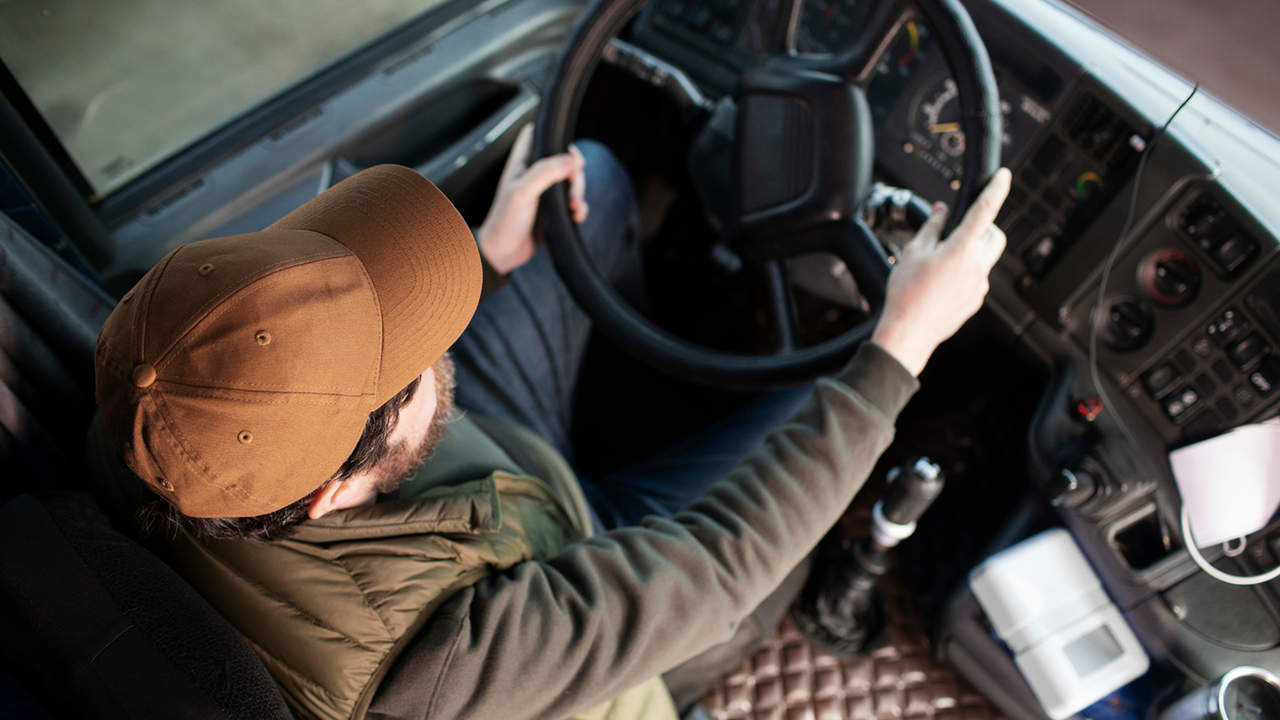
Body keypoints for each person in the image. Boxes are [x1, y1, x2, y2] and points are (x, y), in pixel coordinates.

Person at [87, 120, 1011, 720]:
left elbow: (329, 398)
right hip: (603, 623)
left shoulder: (150, 409)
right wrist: (900, 344)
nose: (440, 344)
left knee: (592, 185)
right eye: (413, 361)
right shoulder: (422, 674)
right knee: (822, 418)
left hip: (492, 498)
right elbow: (720, 563)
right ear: (334, 491)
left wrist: (485, 261)